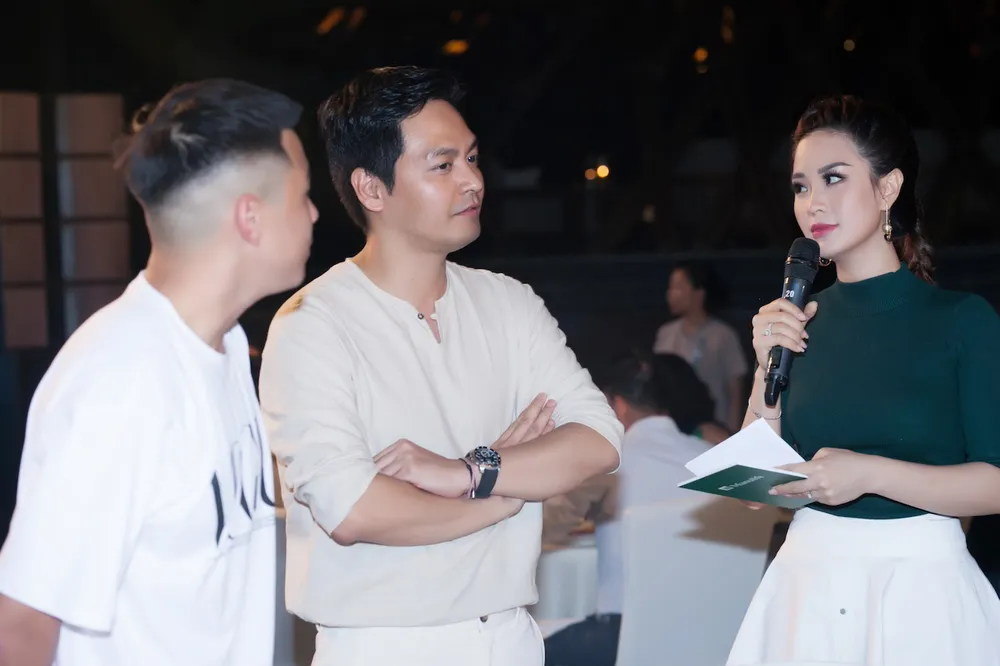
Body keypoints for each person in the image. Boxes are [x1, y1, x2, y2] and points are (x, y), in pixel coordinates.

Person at [258, 65, 623, 666]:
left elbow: (599, 439)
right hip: (385, 645)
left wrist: (470, 472)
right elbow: (353, 508)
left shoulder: (509, 302)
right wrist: (503, 498)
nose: (472, 180)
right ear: (372, 189)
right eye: (443, 165)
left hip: (510, 637)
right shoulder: (313, 323)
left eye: (472, 158)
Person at [0, 78, 318, 666]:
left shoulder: (223, 344)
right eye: (303, 193)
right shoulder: (122, 380)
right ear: (250, 218)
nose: (315, 212)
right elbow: (20, 625)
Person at [727, 95, 1000, 665]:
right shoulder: (795, 324)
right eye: (801, 186)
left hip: (922, 591)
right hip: (806, 589)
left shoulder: (961, 320)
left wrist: (869, 474)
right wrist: (763, 372)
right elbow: (754, 495)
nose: (813, 203)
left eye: (834, 178)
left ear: (887, 188)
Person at [542, 353, 713, 666]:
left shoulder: (610, 462)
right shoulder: (713, 459)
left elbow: (548, 526)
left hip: (624, 637)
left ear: (617, 405)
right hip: (711, 634)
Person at [653, 262, 748, 431]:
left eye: (677, 287)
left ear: (699, 293)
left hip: (715, 432)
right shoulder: (666, 334)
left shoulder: (723, 335)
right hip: (675, 432)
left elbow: (735, 392)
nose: (670, 294)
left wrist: (732, 434)